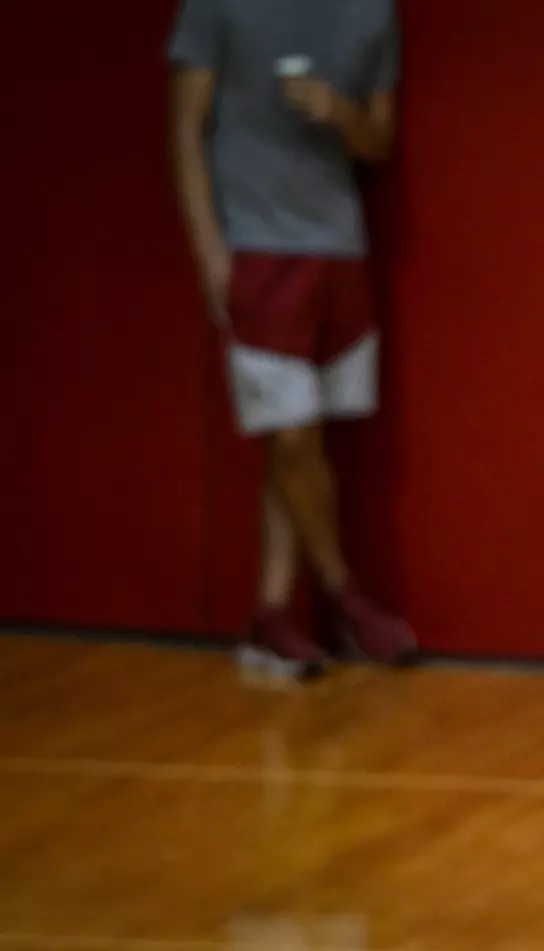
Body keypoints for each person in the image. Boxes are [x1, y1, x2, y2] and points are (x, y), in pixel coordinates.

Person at [167, 0, 416, 677]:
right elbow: (185, 130)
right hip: (255, 246)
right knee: (294, 436)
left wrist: (342, 113)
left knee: (299, 441)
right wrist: (209, 253)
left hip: (337, 245)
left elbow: (381, 141)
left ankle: (272, 615)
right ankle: (347, 598)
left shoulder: (372, 15)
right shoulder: (218, 6)